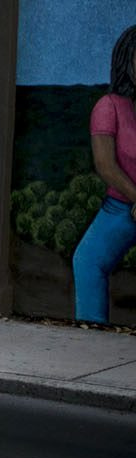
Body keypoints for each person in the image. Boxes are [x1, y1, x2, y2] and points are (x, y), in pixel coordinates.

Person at [71, 24, 136, 323]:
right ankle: (91, 329)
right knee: (87, 260)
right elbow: (106, 165)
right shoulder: (109, 107)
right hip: (122, 206)